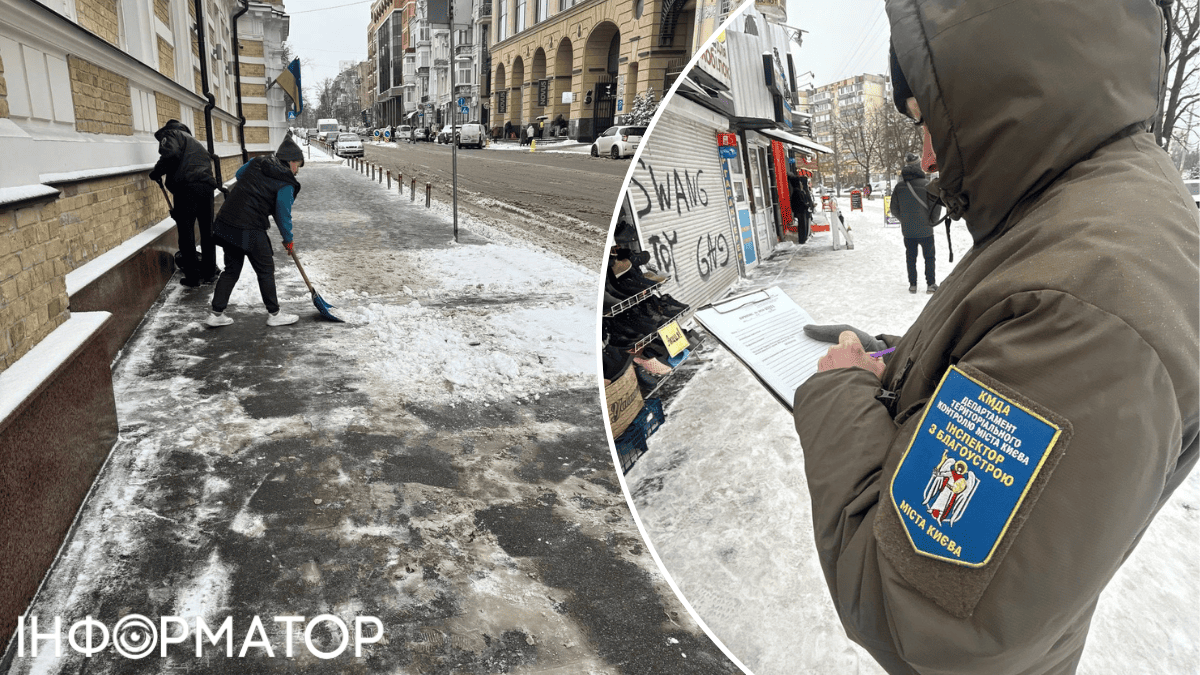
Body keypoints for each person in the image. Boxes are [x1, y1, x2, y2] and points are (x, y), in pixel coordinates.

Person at [794, 2, 1197, 674]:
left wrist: (839, 392)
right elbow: (1009, 333)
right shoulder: (1085, 199)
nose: (926, 156)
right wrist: (899, 357)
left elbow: (912, 612)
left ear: (1000, 91)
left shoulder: (1095, 307)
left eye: (929, 124)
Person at [205, 133, 306, 327]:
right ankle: (275, 315)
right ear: (291, 162)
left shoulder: (258, 161)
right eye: (298, 166)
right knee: (265, 269)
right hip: (250, 226)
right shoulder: (286, 182)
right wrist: (288, 239)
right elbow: (283, 214)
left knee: (231, 270)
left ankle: (216, 314)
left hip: (227, 221)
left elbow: (239, 175)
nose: (297, 172)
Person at [149, 119, 223, 287]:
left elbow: (171, 154)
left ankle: (193, 277)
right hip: (206, 188)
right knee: (207, 231)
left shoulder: (171, 134)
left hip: (186, 188)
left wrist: (157, 171)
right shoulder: (194, 141)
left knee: (186, 231)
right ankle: (210, 274)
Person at [891, 152, 942, 294]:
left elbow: (893, 209)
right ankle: (931, 284)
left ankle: (912, 285)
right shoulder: (927, 185)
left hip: (908, 231)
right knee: (929, 257)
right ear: (919, 166)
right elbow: (936, 205)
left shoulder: (899, 187)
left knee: (911, 257)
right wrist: (932, 221)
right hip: (926, 230)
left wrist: (904, 220)